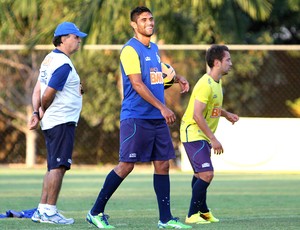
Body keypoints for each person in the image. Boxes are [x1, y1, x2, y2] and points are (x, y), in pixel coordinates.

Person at [86, 6, 191, 229]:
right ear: (134, 25)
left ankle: (165, 219)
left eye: (151, 19)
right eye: (144, 20)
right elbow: (137, 83)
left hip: (156, 118)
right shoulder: (129, 50)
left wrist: (177, 78)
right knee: (126, 165)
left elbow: (155, 77)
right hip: (136, 117)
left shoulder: (154, 48)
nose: (149, 23)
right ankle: (95, 212)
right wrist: (163, 108)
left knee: (163, 165)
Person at [28, 22, 87, 224]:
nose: (79, 40)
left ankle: (42, 209)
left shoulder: (49, 59)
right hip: (61, 121)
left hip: (54, 121)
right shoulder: (62, 63)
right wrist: (43, 108)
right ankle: (50, 211)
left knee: (52, 166)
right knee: (59, 167)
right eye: (75, 36)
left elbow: (37, 88)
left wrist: (36, 112)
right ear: (63, 39)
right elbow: (47, 93)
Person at [180, 45, 239, 224]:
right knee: (206, 174)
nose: (231, 63)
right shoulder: (205, 84)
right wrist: (214, 139)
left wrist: (226, 114)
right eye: (227, 60)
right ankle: (192, 215)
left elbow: (211, 107)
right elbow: (197, 115)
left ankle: (204, 212)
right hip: (193, 132)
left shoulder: (217, 81)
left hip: (202, 134)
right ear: (217, 62)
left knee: (200, 174)